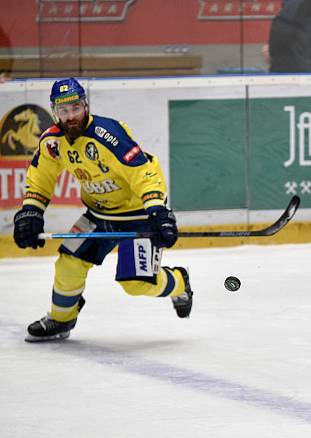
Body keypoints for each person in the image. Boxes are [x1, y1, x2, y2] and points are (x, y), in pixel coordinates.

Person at [12, 78, 192, 342]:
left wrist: (157, 210)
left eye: (75, 108)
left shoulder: (108, 134)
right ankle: (61, 320)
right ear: (55, 112)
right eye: (64, 111)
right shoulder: (52, 141)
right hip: (98, 216)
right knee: (68, 263)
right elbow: (41, 177)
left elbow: (142, 171)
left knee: (136, 283)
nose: (71, 116)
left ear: (85, 105)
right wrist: (31, 211)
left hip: (138, 216)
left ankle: (179, 282)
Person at [266, 0, 311, 73]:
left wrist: (272, 50)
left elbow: (284, 26)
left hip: (306, 72)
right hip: (309, 72)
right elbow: (284, 27)